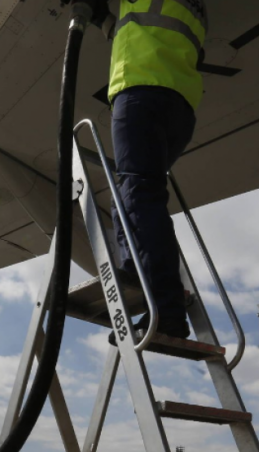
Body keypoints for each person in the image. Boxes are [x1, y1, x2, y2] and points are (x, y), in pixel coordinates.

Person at [106, 0, 207, 344]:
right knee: (131, 195)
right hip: (180, 104)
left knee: (138, 195)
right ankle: (137, 267)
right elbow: (133, 27)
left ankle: (166, 311)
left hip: (140, 88)